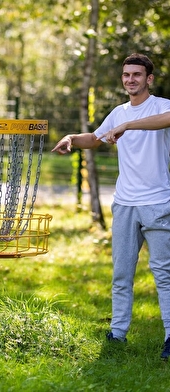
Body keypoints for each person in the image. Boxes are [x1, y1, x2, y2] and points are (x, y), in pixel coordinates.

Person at [52, 53, 170, 360]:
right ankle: (117, 334)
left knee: (164, 274)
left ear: (149, 79)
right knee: (121, 273)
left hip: (159, 203)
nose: (130, 79)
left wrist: (129, 125)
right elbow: (95, 138)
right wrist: (71, 138)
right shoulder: (117, 112)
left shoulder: (161, 106)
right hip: (125, 205)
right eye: (126, 75)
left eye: (136, 74)